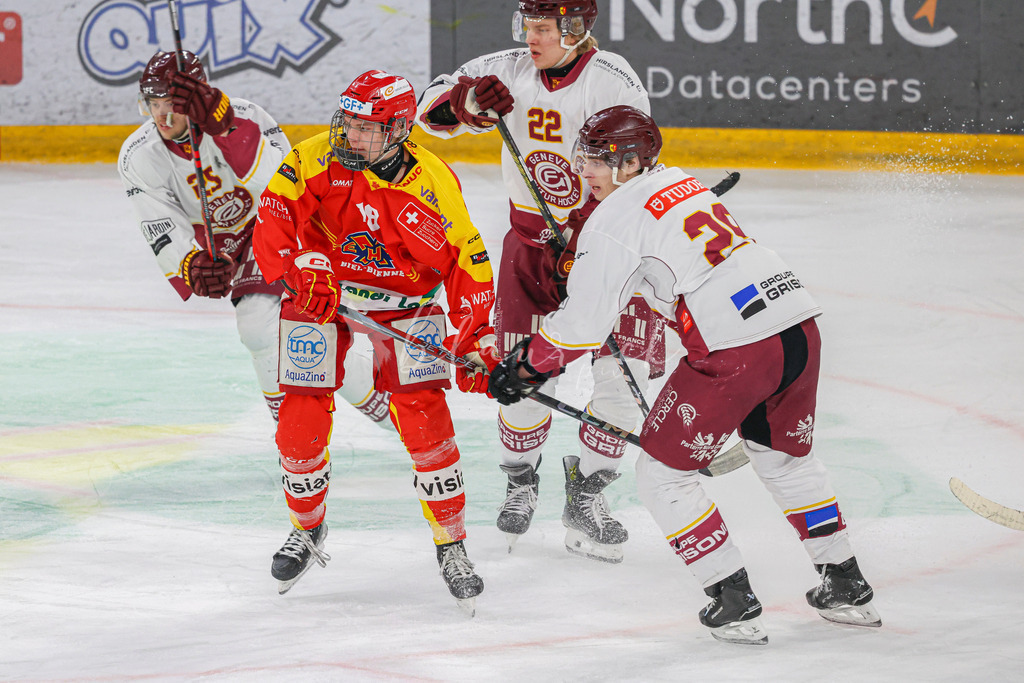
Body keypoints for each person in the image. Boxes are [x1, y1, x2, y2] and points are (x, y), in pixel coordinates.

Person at [489, 105, 881, 644]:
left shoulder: (612, 220)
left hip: (736, 347)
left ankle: (733, 597)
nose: (585, 171)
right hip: (797, 325)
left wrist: (526, 366)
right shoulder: (681, 182)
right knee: (786, 462)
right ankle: (846, 582)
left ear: (631, 162)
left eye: (598, 160)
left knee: (662, 475)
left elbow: (582, 326)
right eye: (584, 157)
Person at [417, 0, 665, 563]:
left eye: (544, 28)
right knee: (521, 374)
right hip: (529, 250)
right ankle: (521, 479)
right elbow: (426, 112)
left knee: (621, 383)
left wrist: (591, 237)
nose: (532, 38)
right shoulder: (504, 68)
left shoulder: (612, 79)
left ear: (575, 29)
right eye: (527, 26)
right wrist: (466, 102)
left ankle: (588, 493)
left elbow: (635, 166)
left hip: (610, 246)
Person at [252, 69, 499, 611]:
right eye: (348, 123)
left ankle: (452, 543)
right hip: (324, 291)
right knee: (299, 419)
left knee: (424, 416)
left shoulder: (431, 183)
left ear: (398, 131)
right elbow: (272, 215)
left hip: (407, 304)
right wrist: (297, 269)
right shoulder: (315, 158)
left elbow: (468, 260)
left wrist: (476, 336)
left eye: (366, 128)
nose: (350, 136)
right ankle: (307, 528)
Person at [118, 51, 393, 427]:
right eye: (154, 104)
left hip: (275, 224)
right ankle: (351, 415)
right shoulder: (138, 155)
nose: (163, 117)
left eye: (172, 104)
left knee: (263, 325)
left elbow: (280, 183)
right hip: (225, 246)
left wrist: (227, 130)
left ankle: (331, 421)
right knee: (268, 331)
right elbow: (159, 222)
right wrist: (190, 262)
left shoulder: (245, 116)